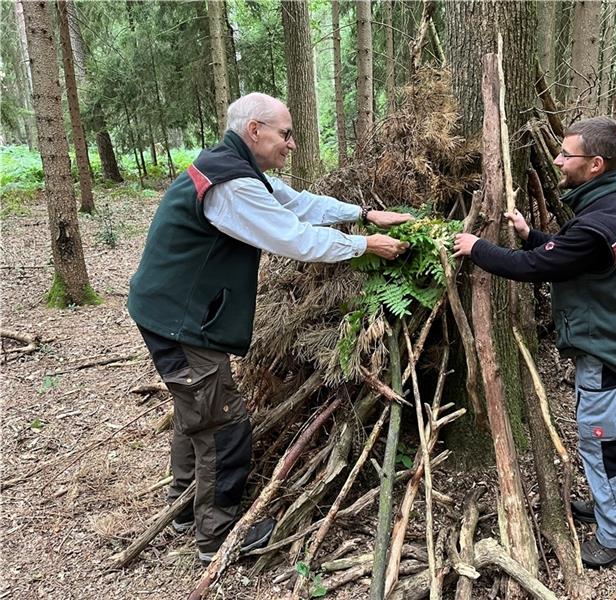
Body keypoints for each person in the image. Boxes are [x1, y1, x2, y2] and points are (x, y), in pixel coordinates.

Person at [128, 93, 412, 565]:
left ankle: (183, 508)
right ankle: (216, 536)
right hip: (180, 321)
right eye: (285, 133)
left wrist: (363, 213)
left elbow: (297, 203)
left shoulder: (233, 167)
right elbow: (293, 237)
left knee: (195, 408)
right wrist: (364, 245)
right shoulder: (232, 185)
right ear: (255, 129)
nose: (292, 144)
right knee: (224, 422)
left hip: (170, 310)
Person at [453, 116, 616, 569]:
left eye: (567, 155)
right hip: (611, 341)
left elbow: (536, 268)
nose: (558, 161)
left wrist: (475, 248)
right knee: (604, 435)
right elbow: (569, 256)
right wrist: (531, 235)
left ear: (596, 164)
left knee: (601, 439)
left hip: (607, 349)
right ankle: (609, 510)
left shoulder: (598, 224)